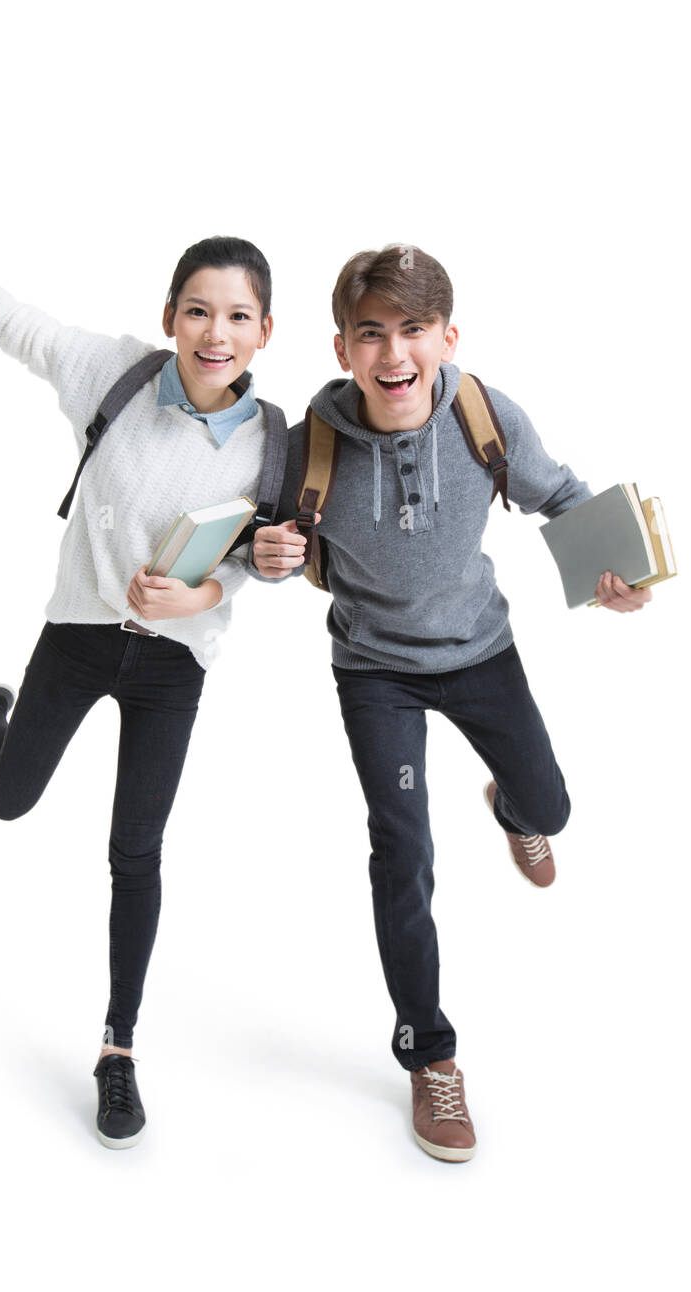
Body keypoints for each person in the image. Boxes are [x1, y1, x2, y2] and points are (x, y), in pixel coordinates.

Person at [0, 191, 280, 1150]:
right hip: (78, 636)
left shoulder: (273, 440)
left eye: (237, 315)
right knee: (6, 802)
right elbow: (16, 323)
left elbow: (253, 560)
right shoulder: (114, 374)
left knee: (137, 853)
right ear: (170, 318)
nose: (216, 332)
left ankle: (118, 1049)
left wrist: (203, 599)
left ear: (264, 331)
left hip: (175, 667)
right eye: (198, 310)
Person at [249, 243, 651, 1163]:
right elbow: (270, 545)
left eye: (414, 330)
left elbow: (561, 496)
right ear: (343, 346)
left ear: (447, 335)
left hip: (481, 648)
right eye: (373, 333)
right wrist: (267, 559)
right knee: (403, 848)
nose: (395, 354)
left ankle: (513, 810)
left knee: (552, 805)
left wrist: (616, 574)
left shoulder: (483, 416)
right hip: (374, 671)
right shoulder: (308, 442)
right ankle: (431, 1053)